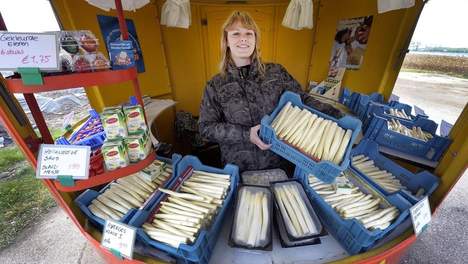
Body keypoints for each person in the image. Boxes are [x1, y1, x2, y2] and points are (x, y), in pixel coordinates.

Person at [199, 11, 343, 172]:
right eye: (235, 34)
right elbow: (206, 128)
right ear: (226, 41)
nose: (243, 38)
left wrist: (338, 117)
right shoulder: (215, 85)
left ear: (255, 39)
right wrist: (246, 134)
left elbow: (302, 100)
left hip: (282, 163)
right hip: (240, 168)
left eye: (249, 33)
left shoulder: (276, 72)